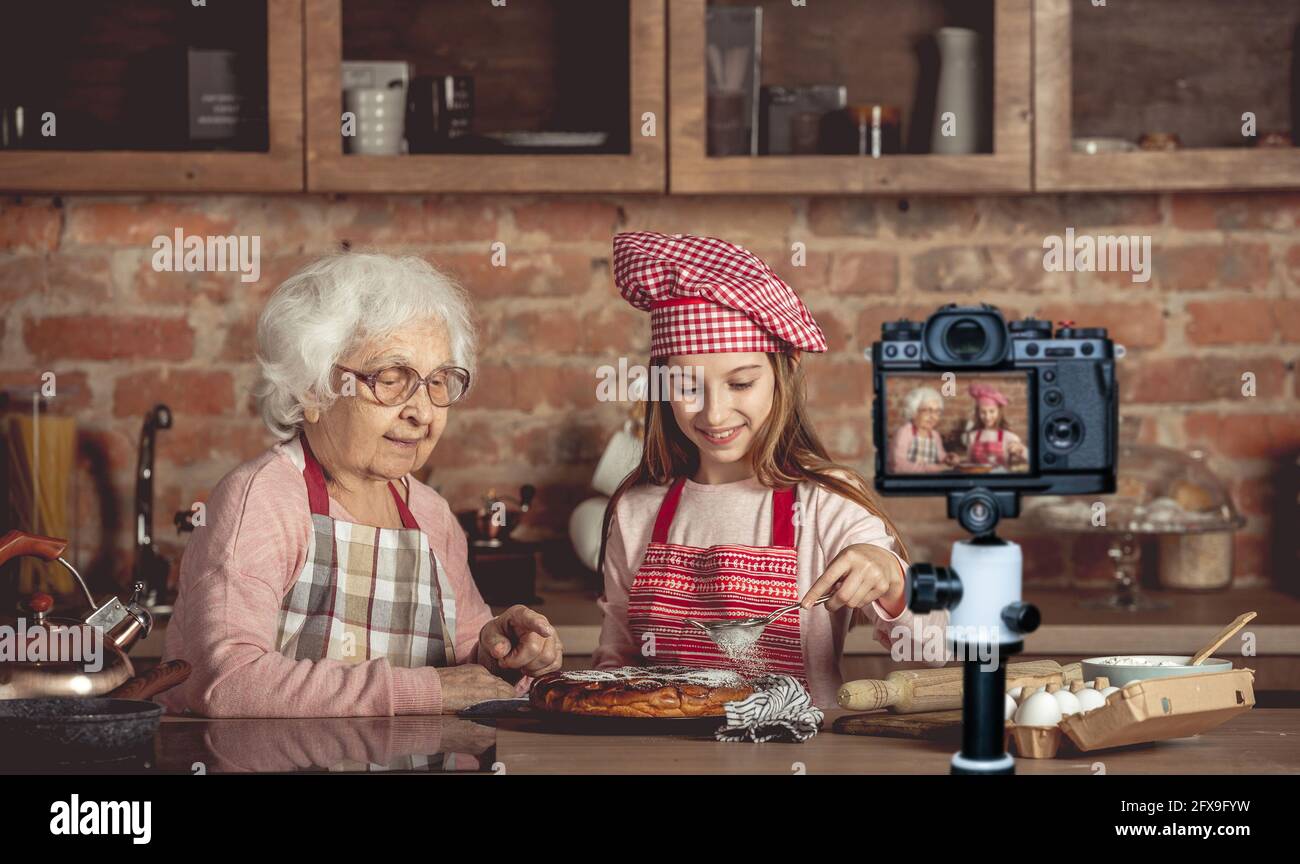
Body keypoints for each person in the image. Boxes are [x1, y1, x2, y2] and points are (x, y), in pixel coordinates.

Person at [159, 253, 562, 717]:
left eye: (438, 382)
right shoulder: (265, 501)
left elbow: (464, 663)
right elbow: (226, 681)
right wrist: (428, 692)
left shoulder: (432, 516)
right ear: (312, 390)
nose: (423, 412)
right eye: (391, 379)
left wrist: (502, 651)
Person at [592, 232, 947, 706]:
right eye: (687, 387)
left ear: (783, 373)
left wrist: (893, 580)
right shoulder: (636, 511)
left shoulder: (826, 502)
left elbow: (936, 650)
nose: (714, 414)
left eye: (740, 383)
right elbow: (615, 664)